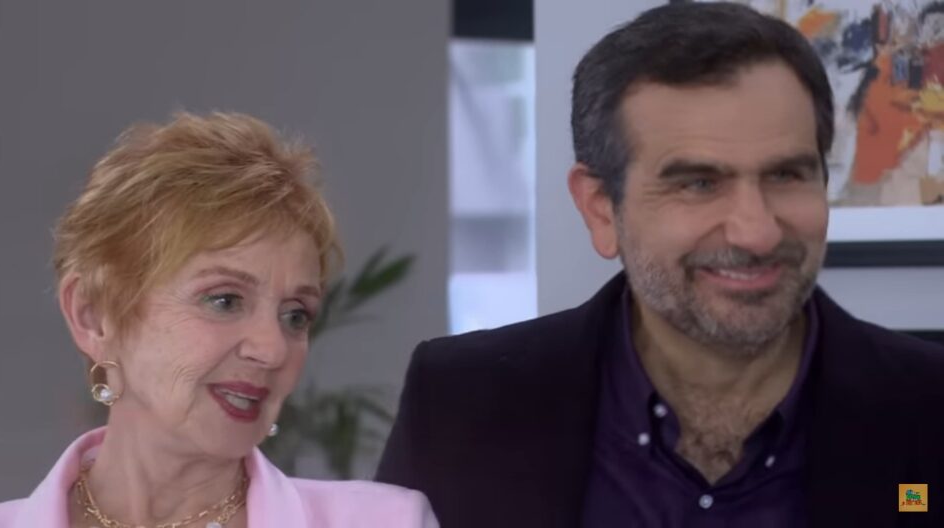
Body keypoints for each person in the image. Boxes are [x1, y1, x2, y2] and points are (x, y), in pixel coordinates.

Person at [376, 3, 944, 527]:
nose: (756, 231)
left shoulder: (928, 406)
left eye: (786, 175)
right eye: (699, 183)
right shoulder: (462, 403)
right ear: (601, 208)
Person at [0, 112, 438, 527]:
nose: (273, 349)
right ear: (94, 316)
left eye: (296, 315)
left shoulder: (386, 522)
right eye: (224, 300)